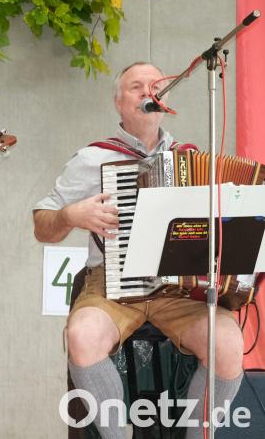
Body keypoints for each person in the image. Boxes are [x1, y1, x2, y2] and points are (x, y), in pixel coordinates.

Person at [33, 62, 243, 438]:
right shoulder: (92, 158)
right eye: (136, 86)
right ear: (118, 102)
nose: (149, 92)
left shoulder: (191, 160)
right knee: (82, 336)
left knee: (228, 343)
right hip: (112, 286)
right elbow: (42, 225)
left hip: (178, 290)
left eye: (157, 86)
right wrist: (71, 214)